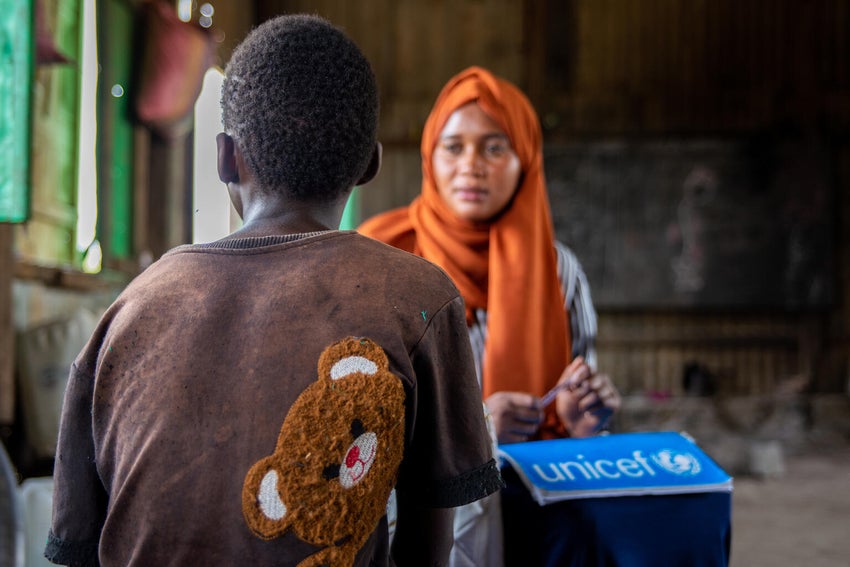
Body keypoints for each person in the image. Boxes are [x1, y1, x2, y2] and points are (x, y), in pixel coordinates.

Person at [44, 17, 503, 567]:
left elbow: (75, 550)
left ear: (223, 157)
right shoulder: (416, 298)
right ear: (370, 164)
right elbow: (427, 548)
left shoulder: (129, 312)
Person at [358, 66, 621, 566]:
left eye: (495, 147)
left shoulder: (559, 269)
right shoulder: (383, 255)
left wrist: (575, 421)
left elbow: (570, 390)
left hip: (530, 505)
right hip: (410, 520)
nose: (471, 165)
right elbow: (355, 410)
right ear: (429, 156)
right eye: (453, 147)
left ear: (526, 159)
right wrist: (476, 430)